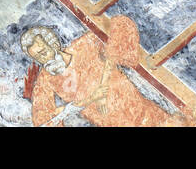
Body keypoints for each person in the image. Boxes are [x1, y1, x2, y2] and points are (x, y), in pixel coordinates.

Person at [21, 19, 178, 127]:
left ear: (54, 44)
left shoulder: (85, 45)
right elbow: (43, 119)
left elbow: (120, 25)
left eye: (43, 53)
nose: (44, 61)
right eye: (37, 58)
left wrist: (105, 79)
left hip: (141, 109)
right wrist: (86, 101)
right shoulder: (46, 79)